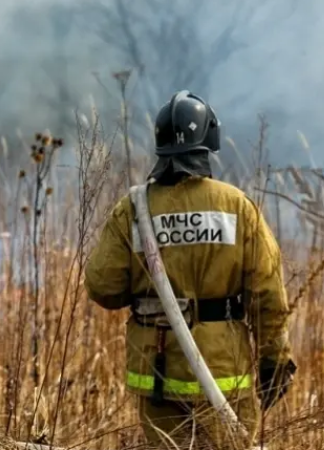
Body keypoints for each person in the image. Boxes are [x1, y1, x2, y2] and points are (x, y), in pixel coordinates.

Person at [83, 90, 296, 449]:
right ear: (207, 142)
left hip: (157, 374)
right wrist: (274, 358)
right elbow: (267, 292)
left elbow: (103, 286)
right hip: (223, 374)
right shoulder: (236, 207)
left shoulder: (133, 208)